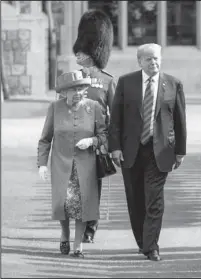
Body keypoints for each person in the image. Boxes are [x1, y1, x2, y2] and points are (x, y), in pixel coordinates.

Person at [108, 43, 187, 261]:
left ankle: (152, 246)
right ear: (140, 61)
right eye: (149, 59)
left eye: (157, 58)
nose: (153, 62)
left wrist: (180, 151)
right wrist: (114, 147)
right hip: (130, 150)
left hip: (160, 151)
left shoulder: (173, 84)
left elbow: (180, 121)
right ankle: (143, 241)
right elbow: (115, 119)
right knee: (135, 199)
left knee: (155, 198)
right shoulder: (126, 83)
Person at [37, 70, 108, 258]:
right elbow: (45, 139)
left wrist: (92, 141)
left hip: (85, 166)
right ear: (64, 92)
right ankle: (64, 233)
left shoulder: (94, 107)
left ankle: (78, 246)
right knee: (63, 204)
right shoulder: (54, 108)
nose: (78, 92)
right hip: (61, 165)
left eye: (82, 87)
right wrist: (42, 164)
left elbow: (105, 135)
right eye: (73, 88)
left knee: (82, 205)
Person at [70, 9, 116, 244]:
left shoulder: (108, 81)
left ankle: (91, 226)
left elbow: (114, 115)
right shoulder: (73, 78)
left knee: (93, 186)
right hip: (75, 139)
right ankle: (79, 223)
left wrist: (114, 145)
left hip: (96, 142)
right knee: (76, 186)